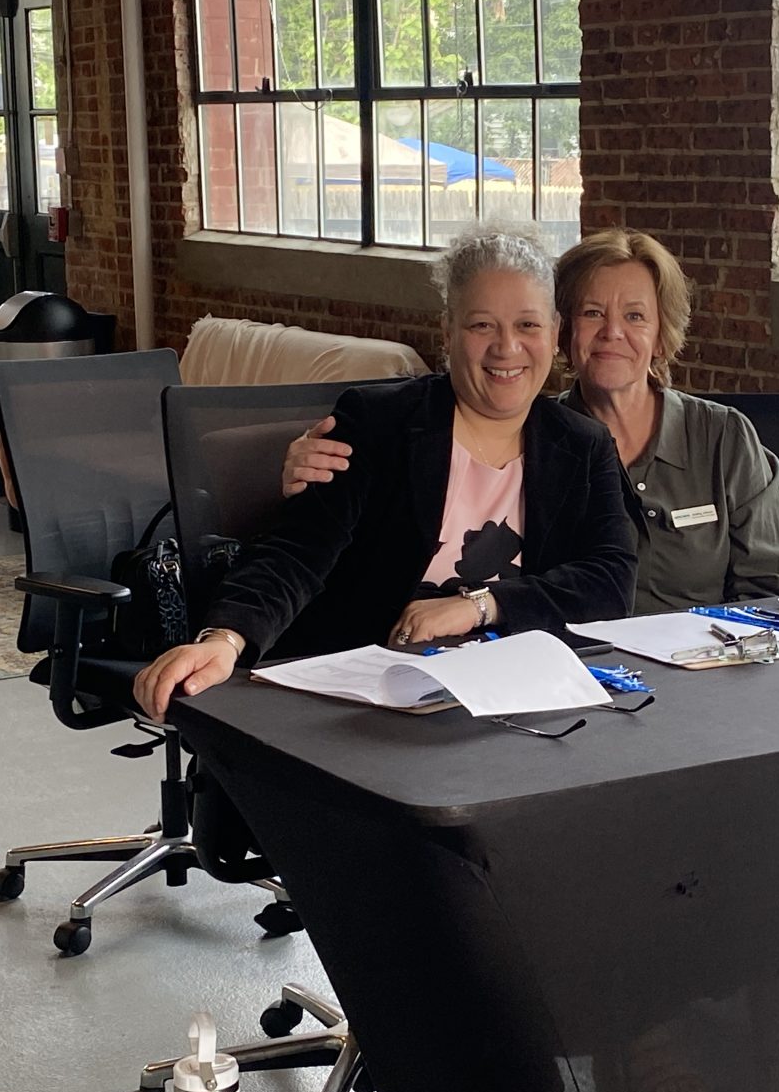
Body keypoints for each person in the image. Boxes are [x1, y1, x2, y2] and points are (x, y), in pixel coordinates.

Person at [134, 223, 636, 721]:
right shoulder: (377, 423)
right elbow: (299, 551)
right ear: (448, 331)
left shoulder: (582, 444)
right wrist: (225, 638)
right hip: (367, 699)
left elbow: (610, 579)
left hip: (513, 700)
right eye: (482, 325)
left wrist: (480, 605)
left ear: (554, 332)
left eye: (527, 325)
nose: (506, 347)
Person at [283, 228, 779, 614]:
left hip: (711, 671)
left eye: (634, 316)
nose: (612, 333)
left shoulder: (723, 437)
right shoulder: (537, 438)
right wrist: (305, 472)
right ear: (562, 331)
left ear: (661, 332)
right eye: (592, 313)